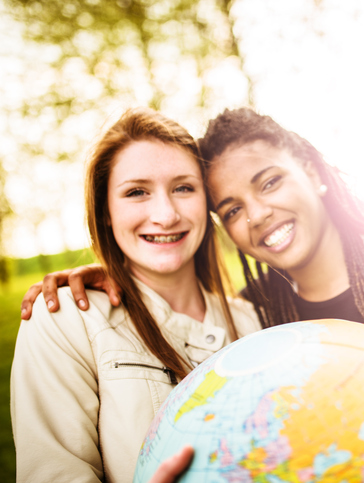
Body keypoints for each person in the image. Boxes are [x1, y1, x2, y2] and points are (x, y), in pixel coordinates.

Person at [23, 108, 364, 483]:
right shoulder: (263, 314)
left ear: (315, 174)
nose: (255, 215)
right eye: (230, 208)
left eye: (269, 183)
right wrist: (109, 269)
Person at [11, 108, 261, 483]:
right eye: (137, 192)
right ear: (106, 211)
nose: (165, 214)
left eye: (183, 188)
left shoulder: (255, 322)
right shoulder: (63, 319)